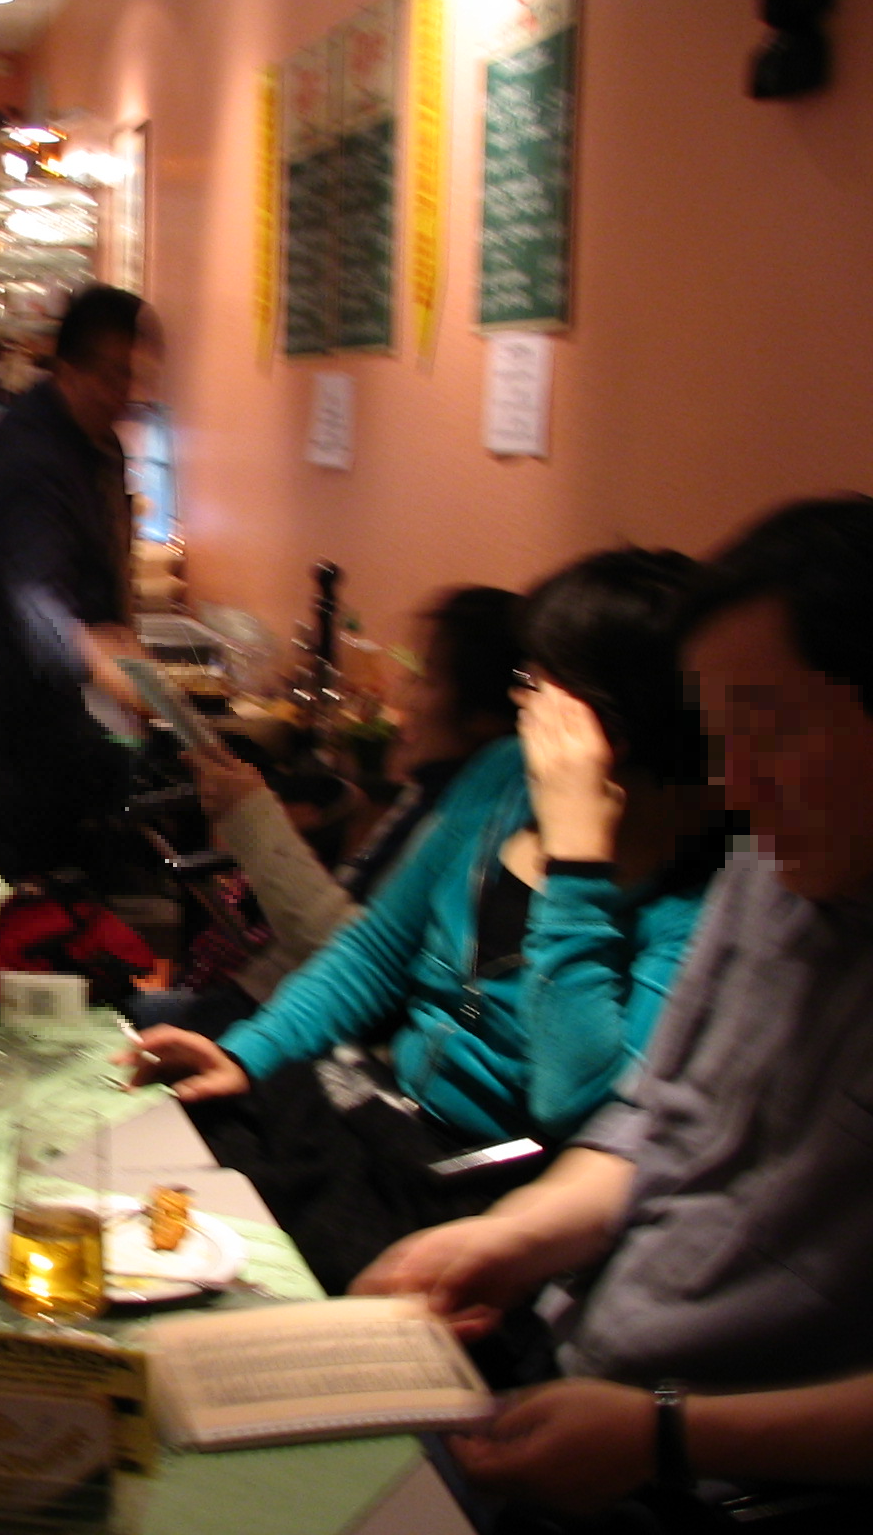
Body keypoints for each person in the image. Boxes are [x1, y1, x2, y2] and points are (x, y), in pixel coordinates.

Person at [353, 497, 873, 1531]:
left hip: (723, 1477)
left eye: (770, 729)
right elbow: (650, 1120)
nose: (736, 787)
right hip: (582, 1374)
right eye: (722, 741)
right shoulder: (769, 870)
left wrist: (664, 1436)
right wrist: (508, 1240)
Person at [125, 550, 726, 1294]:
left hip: (475, 1185)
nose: (524, 701)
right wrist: (249, 1053)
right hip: (370, 1112)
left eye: (537, 682)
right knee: (141, 1168)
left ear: (608, 724)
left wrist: (576, 862)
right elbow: (376, 950)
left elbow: (571, 1103)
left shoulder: (698, 897)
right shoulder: (502, 777)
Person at [129, 585, 524, 1036]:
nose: (404, 699)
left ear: (486, 718)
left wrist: (251, 817)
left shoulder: (479, 833)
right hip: (263, 1001)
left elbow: (362, 962)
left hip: (290, 1029)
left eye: (427, 679)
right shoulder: (434, 793)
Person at [0, 284, 154, 879]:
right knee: (8, 877)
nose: (125, 394)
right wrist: (113, 670)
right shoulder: (32, 459)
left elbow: (106, 564)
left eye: (134, 376)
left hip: (46, 700)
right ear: (68, 369)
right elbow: (38, 607)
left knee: (60, 867)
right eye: (113, 375)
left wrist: (122, 643)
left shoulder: (98, 444)